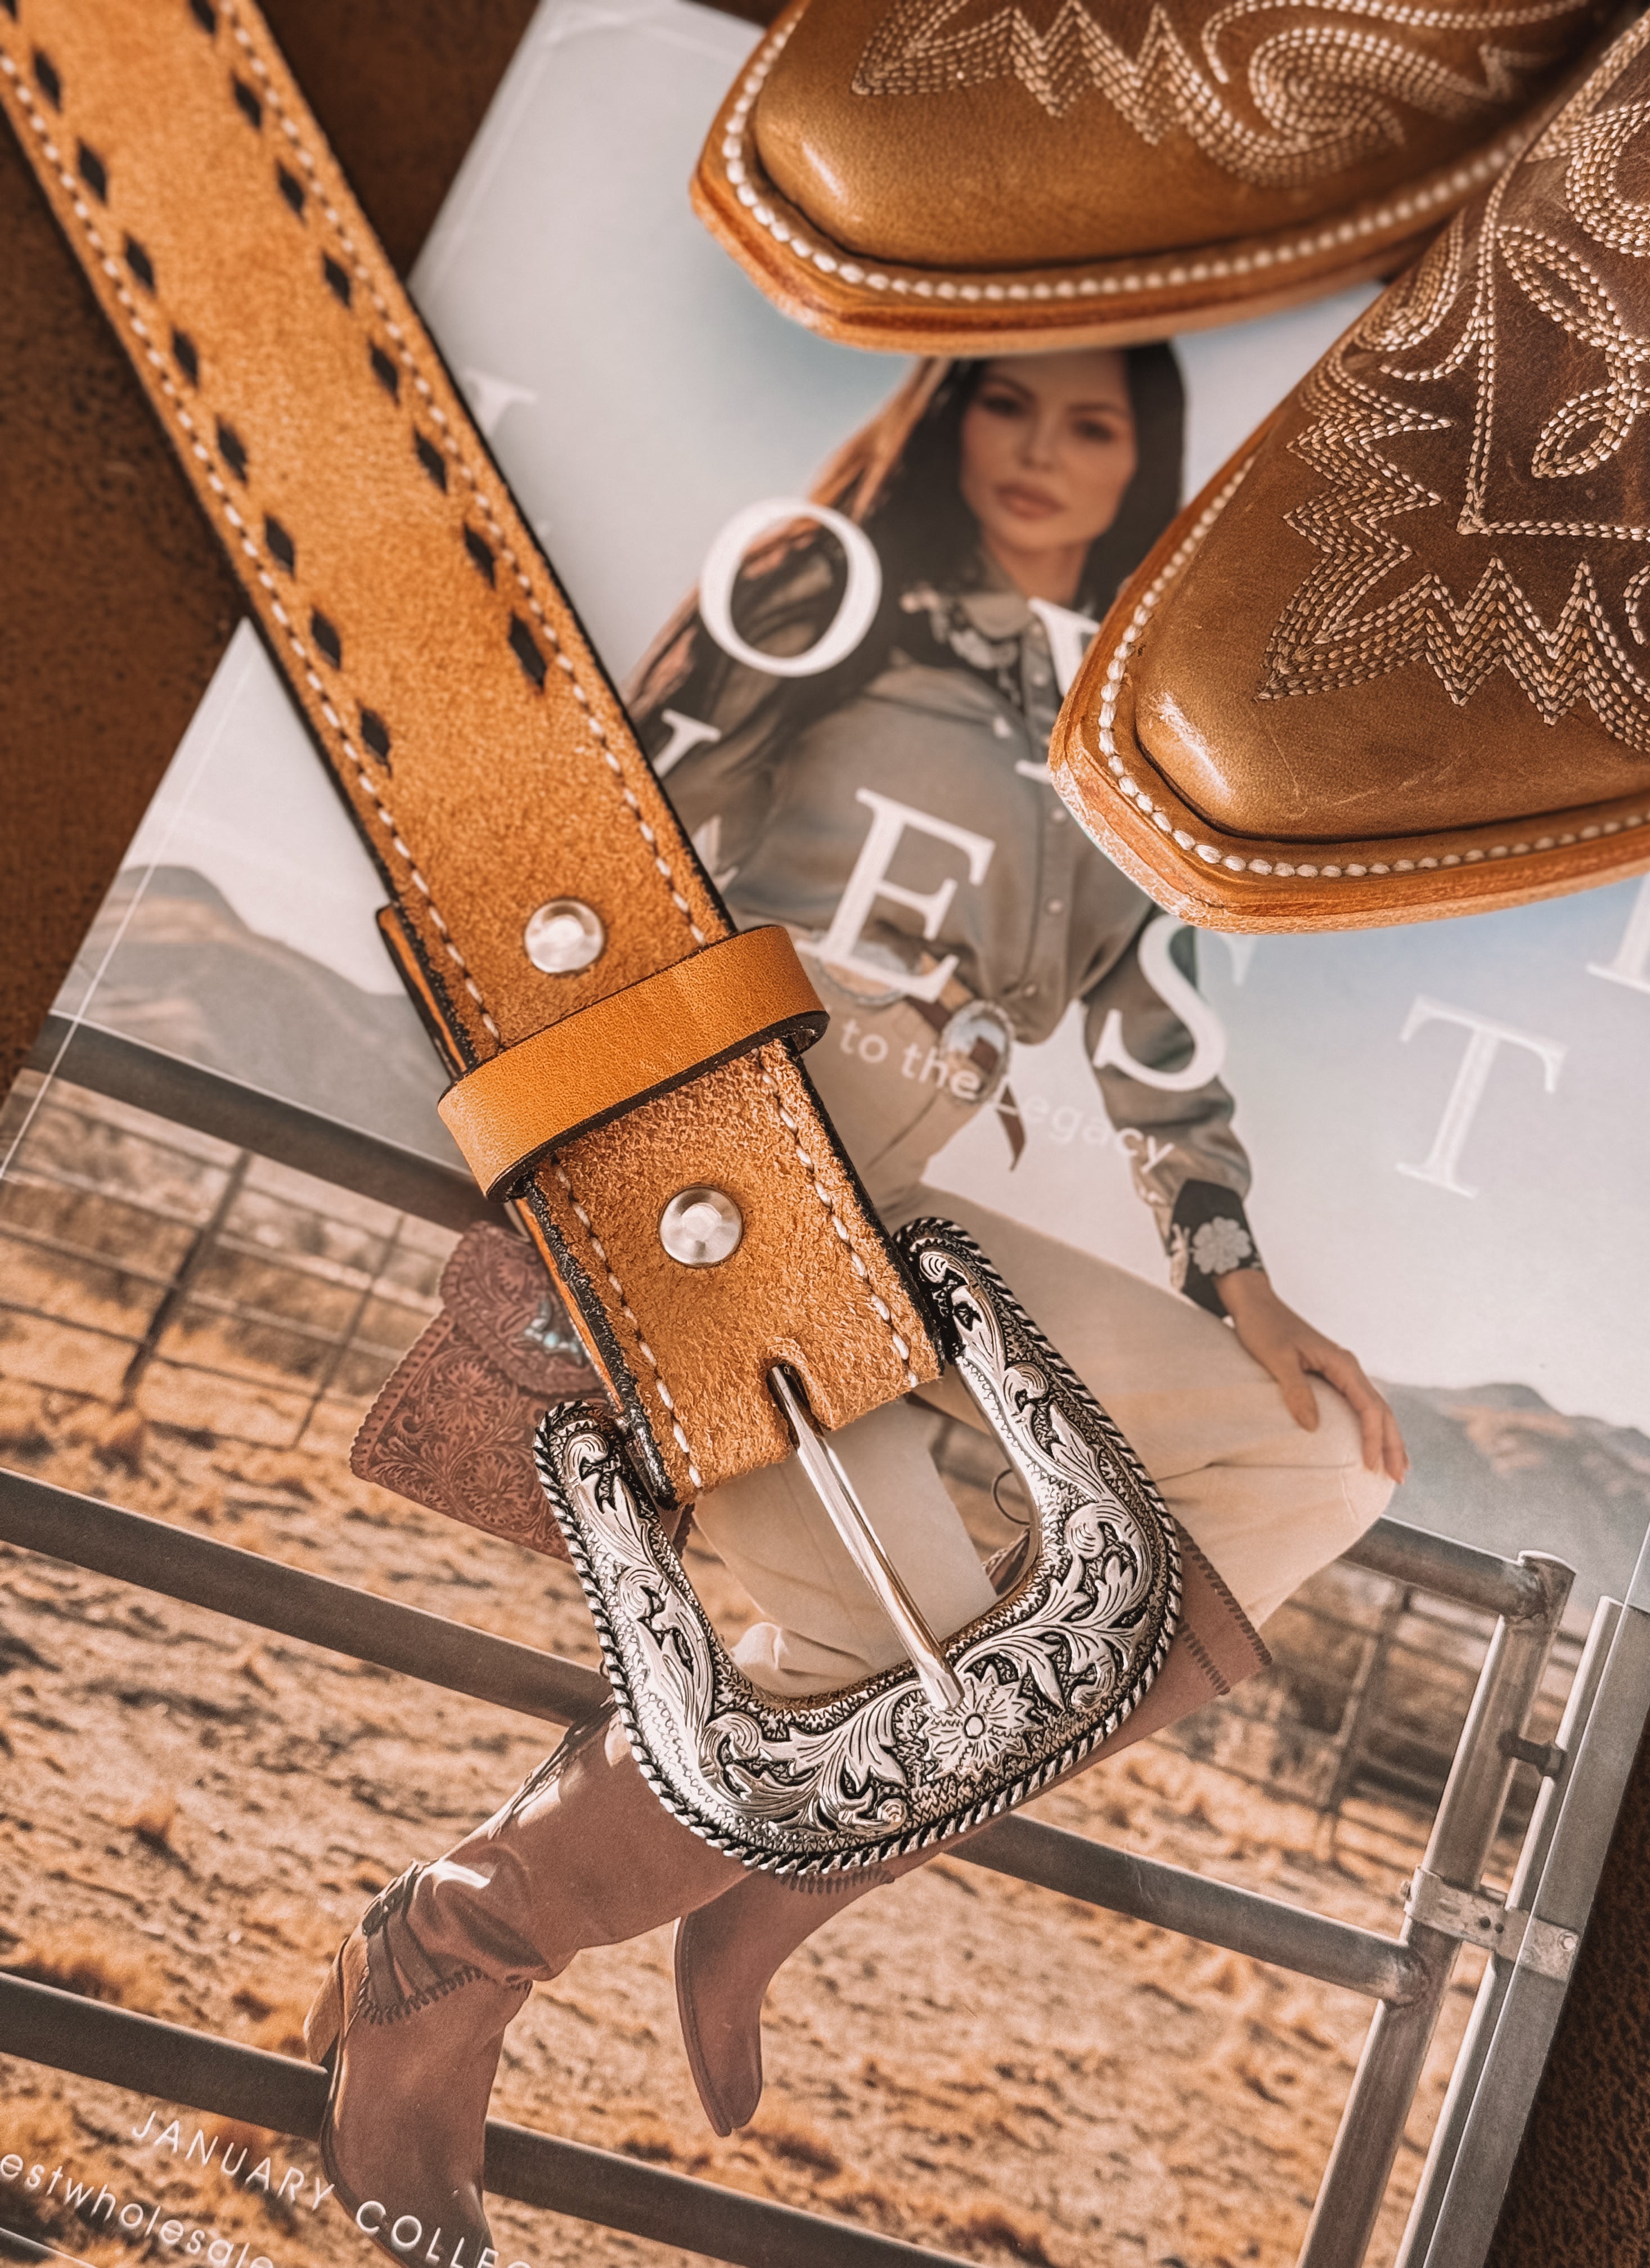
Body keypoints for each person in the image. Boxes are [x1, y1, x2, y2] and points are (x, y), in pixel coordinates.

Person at [307, 350, 1407, 2266]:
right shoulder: (826, 591)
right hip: (724, 1146)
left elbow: (1149, 1025)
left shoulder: (1126, 716)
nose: (1046, 459)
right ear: (946, 424)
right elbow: (594, 827)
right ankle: (445, 1966)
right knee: (907, 1644)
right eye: (1009, 411)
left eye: (1096, 427)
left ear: (1145, 462)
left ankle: (802, 1871)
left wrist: (1234, 1265)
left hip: (905, 1177)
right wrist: (595, 1145)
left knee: (1313, 1466)